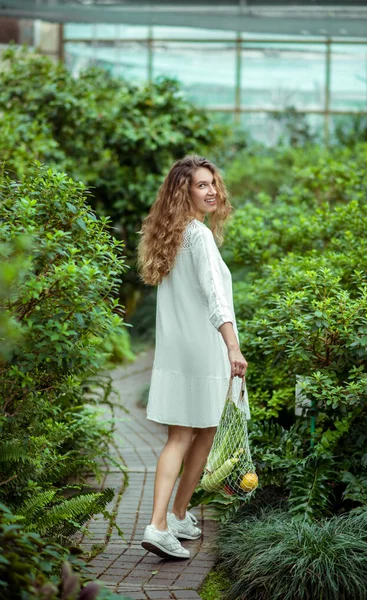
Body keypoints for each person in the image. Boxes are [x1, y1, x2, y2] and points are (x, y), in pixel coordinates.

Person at [137, 155, 249, 559]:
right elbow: (215, 298)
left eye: (213, 183)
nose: (212, 191)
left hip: (175, 350)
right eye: (202, 185)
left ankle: (176, 517)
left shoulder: (168, 234)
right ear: (183, 191)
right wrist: (233, 347)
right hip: (204, 347)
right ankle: (159, 523)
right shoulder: (198, 236)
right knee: (193, 433)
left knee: (192, 433)